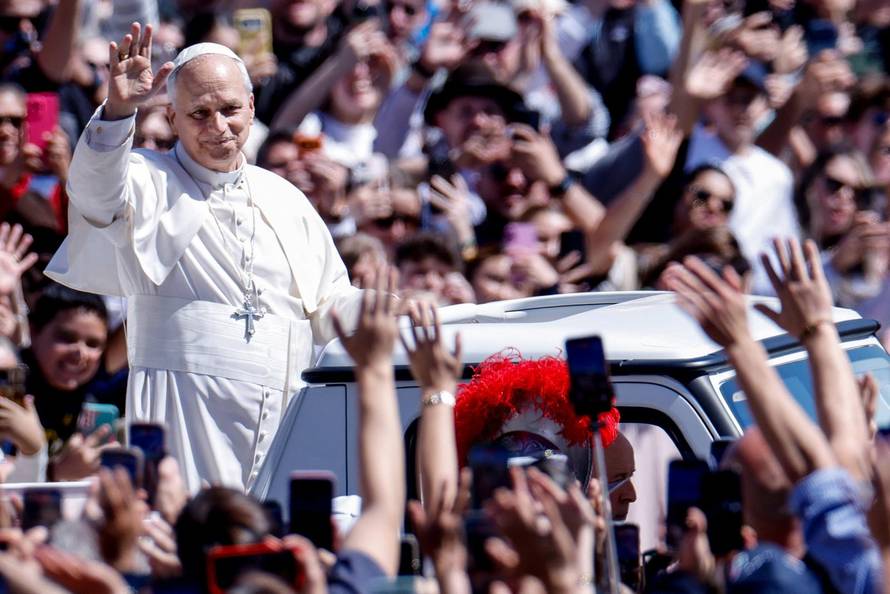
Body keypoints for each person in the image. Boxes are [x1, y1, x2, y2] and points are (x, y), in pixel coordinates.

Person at [45, 27, 363, 492]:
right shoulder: (146, 179)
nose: (218, 126)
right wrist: (117, 112)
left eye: (230, 109)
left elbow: (331, 301)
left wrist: (394, 311)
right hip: (187, 419)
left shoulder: (286, 198)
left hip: (287, 422)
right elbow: (94, 195)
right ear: (173, 118)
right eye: (199, 113)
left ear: (251, 107)